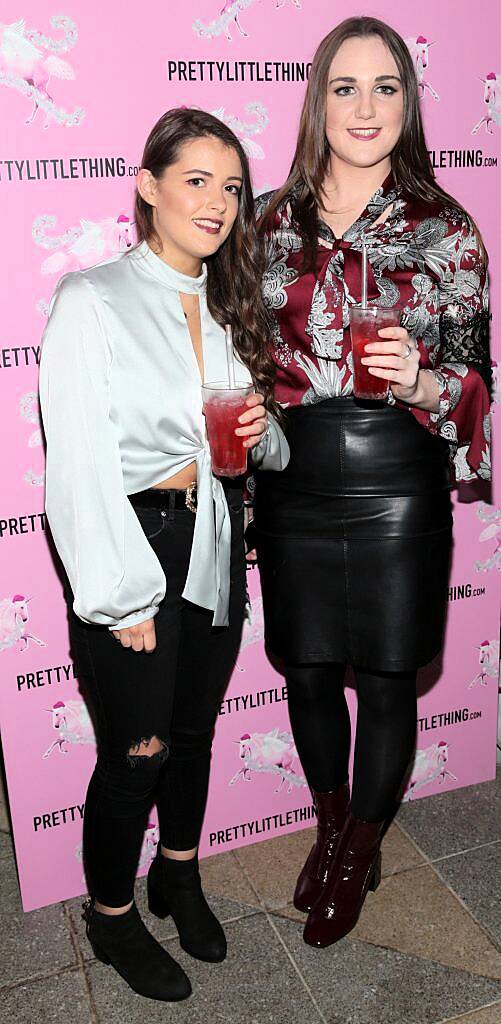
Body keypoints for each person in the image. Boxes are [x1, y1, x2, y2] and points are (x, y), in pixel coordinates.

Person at [39, 107, 289, 1001]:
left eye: (230, 186)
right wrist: (121, 595)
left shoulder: (230, 303)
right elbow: (74, 466)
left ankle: (176, 873)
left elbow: (266, 455)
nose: (218, 202)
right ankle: (108, 918)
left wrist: (261, 435)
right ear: (147, 185)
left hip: (218, 533)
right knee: (137, 749)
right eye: (196, 180)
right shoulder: (91, 297)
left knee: (191, 733)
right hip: (134, 542)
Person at [253, 17, 491, 948]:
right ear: (319, 98)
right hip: (294, 476)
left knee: (388, 678)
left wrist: (419, 380)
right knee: (308, 671)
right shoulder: (270, 220)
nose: (364, 106)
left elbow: (475, 378)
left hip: (397, 478)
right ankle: (330, 822)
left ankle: (357, 853)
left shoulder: (445, 225)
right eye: (345, 86)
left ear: (407, 101)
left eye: (385, 86)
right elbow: (236, 348)